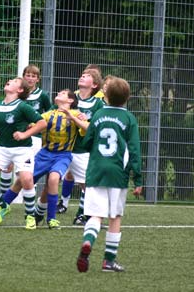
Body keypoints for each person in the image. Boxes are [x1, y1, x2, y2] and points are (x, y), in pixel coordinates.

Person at [76, 76, 142, 273]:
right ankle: (108, 261)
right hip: (117, 174)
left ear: (105, 95)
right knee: (115, 217)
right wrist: (138, 178)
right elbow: (135, 150)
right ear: (127, 98)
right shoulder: (129, 119)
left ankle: (88, 242)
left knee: (95, 215)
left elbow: (87, 142)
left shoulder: (97, 115)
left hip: (96, 170)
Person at [3, 89, 88, 229]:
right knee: (21, 181)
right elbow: (36, 123)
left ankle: (51, 219)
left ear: (70, 100)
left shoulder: (76, 114)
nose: (58, 94)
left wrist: (74, 118)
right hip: (44, 154)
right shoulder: (50, 114)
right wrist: (26, 127)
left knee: (54, 179)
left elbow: (87, 128)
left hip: (63, 155)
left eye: (63, 93)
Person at [0, 77, 47, 230]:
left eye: (14, 81)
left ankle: (30, 216)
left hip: (22, 150)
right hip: (3, 148)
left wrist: (25, 135)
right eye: (9, 80)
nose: (9, 81)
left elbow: (42, 123)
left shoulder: (23, 107)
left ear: (20, 90)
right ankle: (2, 206)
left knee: (26, 180)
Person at [56, 67, 104, 225]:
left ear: (95, 85)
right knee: (52, 179)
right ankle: (42, 212)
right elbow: (54, 113)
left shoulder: (98, 104)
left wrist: (83, 121)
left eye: (88, 76)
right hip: (62, 147)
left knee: (88, 185)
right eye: (82, 74)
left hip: (82, 150)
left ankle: (82, 214)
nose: (83, 77)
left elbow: (96, 127)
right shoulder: (69, 97)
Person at [0, 64, 52, 198]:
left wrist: (35, 124)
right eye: (27, 75)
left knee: (27, 170)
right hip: (14, 134)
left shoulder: (42, 95)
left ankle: (27, 199)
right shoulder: (17, 93)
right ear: (23, 77)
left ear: (38, 79)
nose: (30, 78)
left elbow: (50, 113)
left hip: (34, 137)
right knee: (7, 166)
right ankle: (2, 198)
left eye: (33, 76)